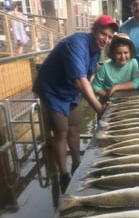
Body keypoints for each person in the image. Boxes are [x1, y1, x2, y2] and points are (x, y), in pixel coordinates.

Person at [33, 15, 119, 193]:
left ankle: (77, 164)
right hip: (52, 90)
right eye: (103, 34)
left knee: (75, 127)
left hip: (70, 90)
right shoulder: (76, 44)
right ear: (94, 30)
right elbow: (81, 80)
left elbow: (88, 77)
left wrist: (97, 96)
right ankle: (64, 174)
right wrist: (99, 107)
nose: (106, 39)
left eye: (110, 37)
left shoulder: (96, 49)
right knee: (61, 132)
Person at [92, 33, 139, 102]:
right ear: (112, 53)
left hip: (129, 100)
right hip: (109, 102)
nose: (123, 56)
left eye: (126, 52)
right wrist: (107, 96)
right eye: (118, 53)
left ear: (130, 52)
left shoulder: (133, 63)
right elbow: (95, 86)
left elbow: (136, 82)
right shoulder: (105, 67)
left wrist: (115, 87)